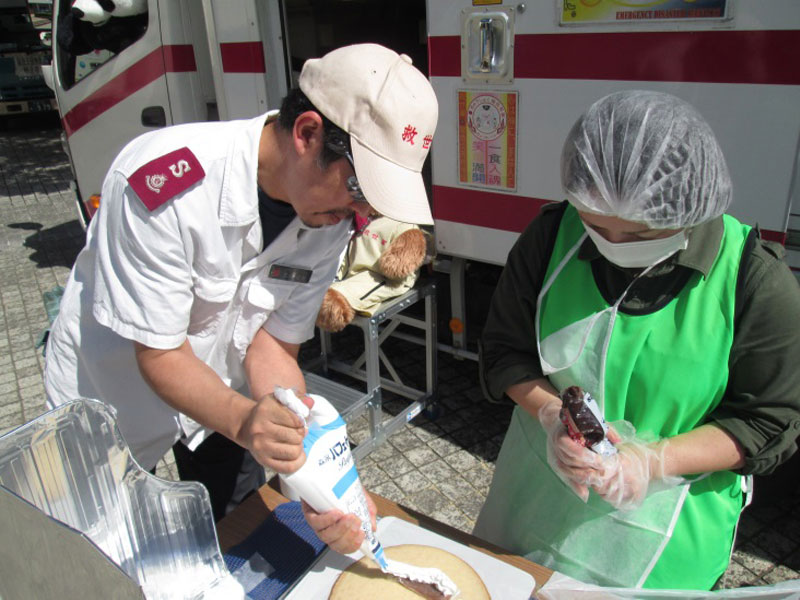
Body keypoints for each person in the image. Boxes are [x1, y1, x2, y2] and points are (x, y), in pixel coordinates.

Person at [44, 41, 438, 549]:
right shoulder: (163, 182)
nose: (359, 215)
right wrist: (245, 420)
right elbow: (160, 352)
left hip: (223, 395)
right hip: (113, 393)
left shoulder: (327, 218)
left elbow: (273, 345)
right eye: (360, 189)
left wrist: (320, 472)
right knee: (96, 545)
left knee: (231, 531)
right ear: (308, 133)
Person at [474, 90, 800, 590]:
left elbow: (768, 419)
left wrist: (652, 462)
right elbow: (505, 351)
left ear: (689, 208)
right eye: (596, 226)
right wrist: (547, 414)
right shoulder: (550, 236)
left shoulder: (754, 281)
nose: (613, 246)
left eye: (641, 234)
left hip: (665, 542)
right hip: (531, 512)